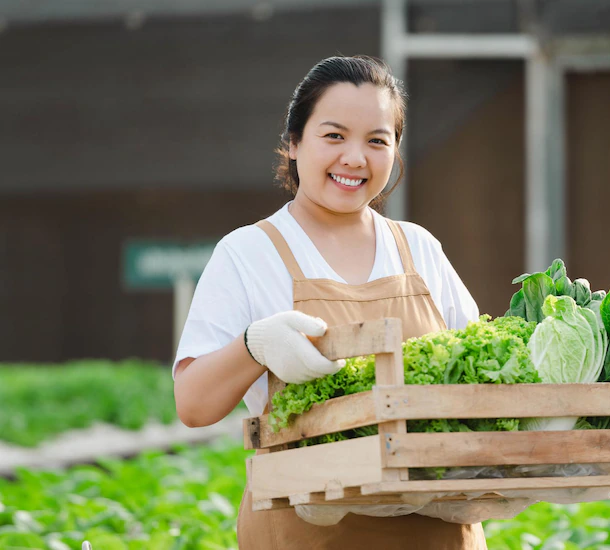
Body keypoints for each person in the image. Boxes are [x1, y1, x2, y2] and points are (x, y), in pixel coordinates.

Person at [172, 55, 487, 549]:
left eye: (377, 140)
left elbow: (487, 385)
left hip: (438, 533)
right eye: (335, 136)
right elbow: (192, 405)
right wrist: (254, 346)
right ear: (294, 143)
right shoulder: (249, 253)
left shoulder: (419, 248)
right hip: (305, 535)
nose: (355, 158)